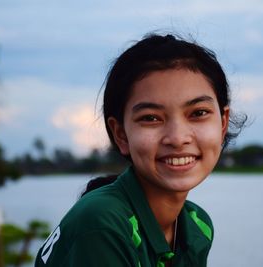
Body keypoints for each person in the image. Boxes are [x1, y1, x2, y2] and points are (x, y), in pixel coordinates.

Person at [35, 33, 246, 267]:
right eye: (151, 118)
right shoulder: (102, 225)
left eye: (198, 113)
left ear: (223, 123)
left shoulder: (196, 225)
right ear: (121, 134)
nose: (177, 138)